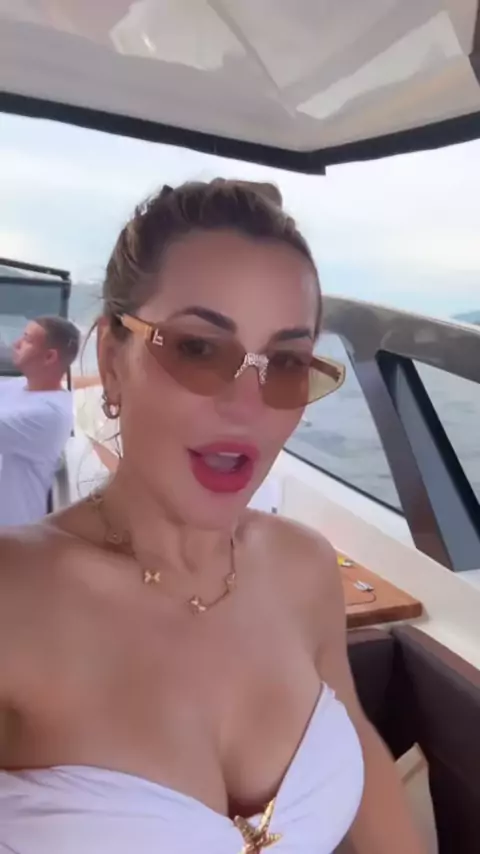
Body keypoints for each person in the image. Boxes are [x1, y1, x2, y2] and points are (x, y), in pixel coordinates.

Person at [0, 181, 425, 854]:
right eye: (197, 348)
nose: (247, 405)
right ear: (111, 359)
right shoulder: (14, 596)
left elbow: (367, 769)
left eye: (285, 362)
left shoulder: (304, 568)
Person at [0, 315, 80, 527]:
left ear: (49, 357)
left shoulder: (49, 414)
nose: (16, 344)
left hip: (12, 536)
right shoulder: (19, 386)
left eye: (27, 340)